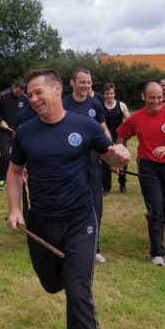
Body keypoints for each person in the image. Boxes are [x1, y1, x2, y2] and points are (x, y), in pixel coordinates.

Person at [6, 69, 130, 329]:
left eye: (37, 92)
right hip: (42, 222)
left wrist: (118, 155)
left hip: (79, 220)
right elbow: (15, 172)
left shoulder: (85, 126)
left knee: (79, 295)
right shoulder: (25, 132)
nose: (32, 99)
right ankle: (70, 274)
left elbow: (108, 153)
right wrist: (16, 209)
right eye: (29, 94)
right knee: (51, 284)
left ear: (57, 88)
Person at [116, 82, 165, 266]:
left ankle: (157, 217)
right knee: (156, 209)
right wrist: (120, 158)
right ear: (143, 97)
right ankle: (157, 252)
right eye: (152, 97)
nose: (156, 101)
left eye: (160, 97)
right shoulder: (136, 118)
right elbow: (121, 136)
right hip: (148, 167)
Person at [63, 68, 111, 264]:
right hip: (68, 161)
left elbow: (103, 129)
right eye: (82, 82)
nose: (86, 86)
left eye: (89, 82)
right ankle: (67, 243)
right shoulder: (63, 104)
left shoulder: (95, 104)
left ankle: (94, 247)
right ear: (72, 83)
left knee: (95, 204)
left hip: (92, 160)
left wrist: (110, 148)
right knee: (69, 203)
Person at [0, 79, 26, 190]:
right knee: (5, 155)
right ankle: (1, 180)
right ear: (13, 86)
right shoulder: (2, 95)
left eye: (21, 92)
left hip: (18, 132)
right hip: (5, 131)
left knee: (22, 155)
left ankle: (22, 178)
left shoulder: (25, 98)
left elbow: (29, 113)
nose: (19, 94)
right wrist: (0, 121)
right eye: (17, 91)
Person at [101, 83, 130, 194]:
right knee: (105, 162)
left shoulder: (121, 105)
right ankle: (106, 188)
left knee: (122, 160)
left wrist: (123, 133)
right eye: (107, 93)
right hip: (105, 138)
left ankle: (122, 184)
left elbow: (129, 120)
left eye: (111, 93)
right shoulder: (100, 105)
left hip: (120, 138)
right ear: (104, 94)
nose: (109, 96)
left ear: (114, 93)